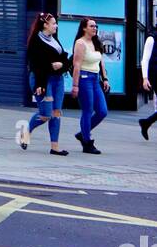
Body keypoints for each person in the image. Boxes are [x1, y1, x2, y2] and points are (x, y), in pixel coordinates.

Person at [18, 11, 70, 155]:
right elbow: (36, 65)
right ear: (45, 25)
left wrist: (62, 65)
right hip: (42, 80)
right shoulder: (35, 41)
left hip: (57, 80)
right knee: (46, 114)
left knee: (56, 112)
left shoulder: (54, 39)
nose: (56, 26)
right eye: (53, 23)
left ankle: (54, 147)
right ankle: (26, 131)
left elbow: (65, 59)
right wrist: (40, 85)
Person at [71, 17, 110, 154]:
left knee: (102, 111)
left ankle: (82, 133)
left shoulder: (95, 41)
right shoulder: (80, 43)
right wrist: (75, 86)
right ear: (84, 28)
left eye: (96, 26)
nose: (95, 28)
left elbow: (101, 62)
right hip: (84, 78)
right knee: (87, 111)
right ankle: (87, 142)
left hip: (95, 79)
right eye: (92, 26)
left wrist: (105, 79)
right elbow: (76, 65)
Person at [139, 29, 157, 140]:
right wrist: (145, 78)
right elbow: (144, 60)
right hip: (155, 75)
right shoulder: (151, 38)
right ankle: (146, 122)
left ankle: (146, 122)